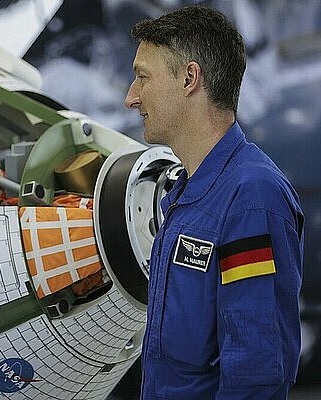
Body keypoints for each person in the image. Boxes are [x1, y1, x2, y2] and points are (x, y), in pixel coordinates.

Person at [124, 6, 304, 399]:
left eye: (142, 77)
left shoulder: (251, 198)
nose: (131, 98)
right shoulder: (187, 195)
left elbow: (257, 373)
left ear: (189, 78)